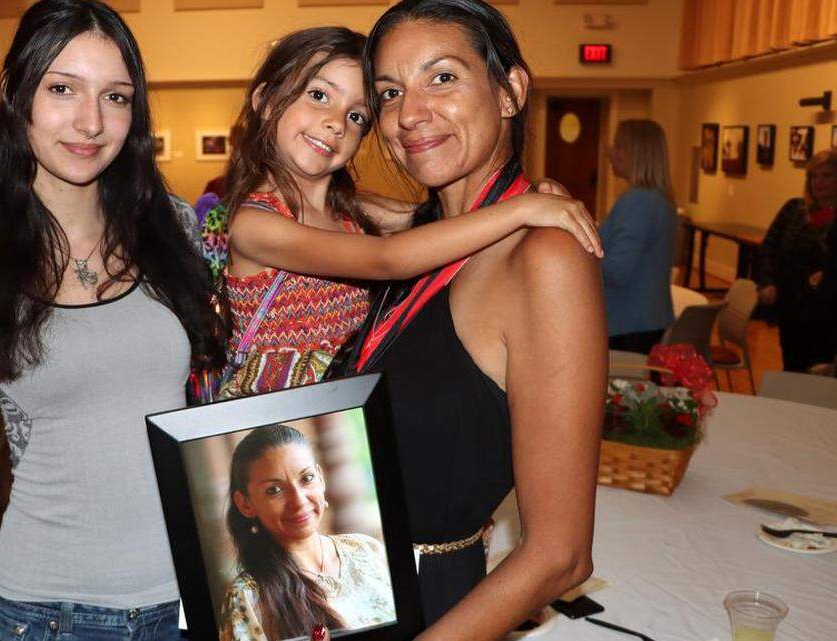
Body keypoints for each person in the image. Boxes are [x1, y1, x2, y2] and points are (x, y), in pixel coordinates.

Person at [0, 2, 225, 641]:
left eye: (116, 96)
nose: (91, 122)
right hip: (47, 612)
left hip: (195, 596)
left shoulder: (175, 229)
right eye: (62, 89)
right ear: (13, 93)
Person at [333, 1, 606, 637]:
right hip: (346, 592)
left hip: (431, 611)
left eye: (443, 77)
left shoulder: (545, 257)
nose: (408, 115)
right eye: (390, 92)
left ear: (510, 91)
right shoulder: (424, 236)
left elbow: (561, 555)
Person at [214, 26, 600, 399]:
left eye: (356, 116)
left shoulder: (350, 213)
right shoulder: (255, 225)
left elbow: (450, 217)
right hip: (271, 420)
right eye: (318, 95)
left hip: (337, 416)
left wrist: (534, 194)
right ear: (264, 102)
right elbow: (388, 260)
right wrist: (522, 209)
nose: (335, 122)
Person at [221, 425, 394, 641]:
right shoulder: (247, 596)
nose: (298, 500)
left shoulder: (368, 551)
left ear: (320, 478)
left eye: (307, 478)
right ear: (245, 504)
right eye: (274, 490)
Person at [599, 119, 677, 354]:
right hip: (645, 320)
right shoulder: (658, 199)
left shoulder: (639, 201)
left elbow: (617, 271)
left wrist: (576, 251)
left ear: (637, 153)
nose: (611, 153)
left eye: (619, 146)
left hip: (628, 324)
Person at [758, 149, 836, 371]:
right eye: (814, 176)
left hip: (826, 315)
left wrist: (827, 274)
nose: (819, 182)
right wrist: (768, 282)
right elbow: (768, 247)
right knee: (793, 368)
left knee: (819, 377)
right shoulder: (794, 208)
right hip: (791, 309)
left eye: (827, 176)